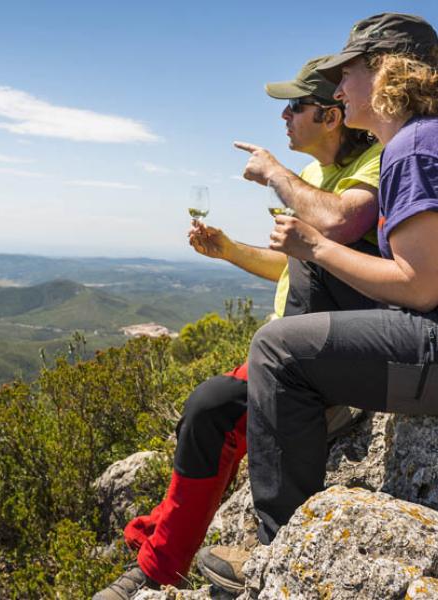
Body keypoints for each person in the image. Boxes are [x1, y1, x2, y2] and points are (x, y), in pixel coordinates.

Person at [93, 56, 383, 600]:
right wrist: (228, 251)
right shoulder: (318, 178)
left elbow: (341, 224)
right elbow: (297, 265)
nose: (284, 117)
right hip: (287, 344)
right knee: (203, 416)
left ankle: (158, 568)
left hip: (320, 355)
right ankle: (159, 546)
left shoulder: (371, 165)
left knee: (212, 410)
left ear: (330, 115)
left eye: (294, 106)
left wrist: (275, 172)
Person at [198, 12, 438, 595]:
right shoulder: (420, 140)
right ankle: (315, 404)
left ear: (386, 72)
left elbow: (421, 286)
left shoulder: (413, 146)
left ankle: (277, 548)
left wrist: (317, 247)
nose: (338, 89)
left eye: (347, 73)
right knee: (308, 274)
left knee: (277, 350)